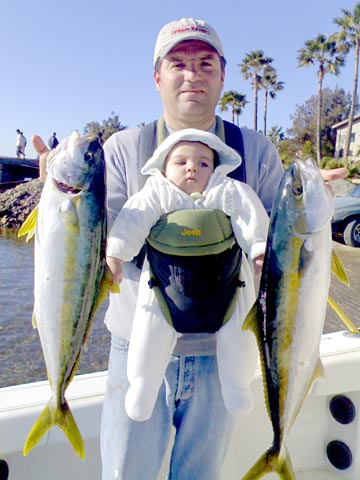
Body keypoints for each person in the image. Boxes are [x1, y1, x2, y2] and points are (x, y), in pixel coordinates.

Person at [31, 17, 348, 480]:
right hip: (135, 348)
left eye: (204, 63)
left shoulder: (256, 152)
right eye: (178, 63)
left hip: (222, 356)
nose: (192, 74)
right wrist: (57, 199)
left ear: (223, 75)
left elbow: (286, 249)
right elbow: (99, 249)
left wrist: (318, 206)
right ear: (157, 77)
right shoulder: (123, 149)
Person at [106, 128, 269, 423]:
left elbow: (251, 216)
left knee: (239, 331)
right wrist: (117, 253)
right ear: (164, 168)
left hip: (228, 282)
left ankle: (237, 385)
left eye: (203, 163)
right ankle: (142, 384)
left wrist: (259, 249)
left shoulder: (228, 191)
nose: (192, 167)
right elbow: (132, 219)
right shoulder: (156, 193)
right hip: (164, 284)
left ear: (216, 168)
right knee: (148, 327)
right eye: (181, 162)